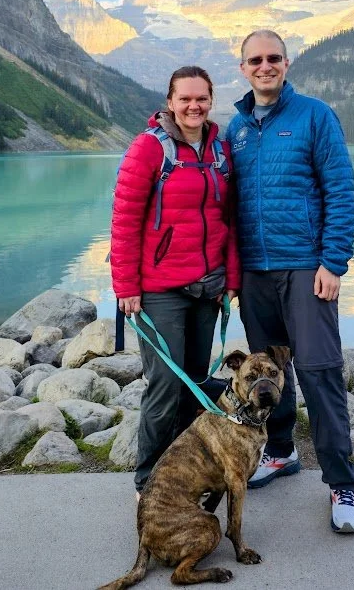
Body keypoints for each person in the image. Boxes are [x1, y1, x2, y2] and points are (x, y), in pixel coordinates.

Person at [226, 29, 354, 534]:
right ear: (242, 68)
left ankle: (343, 483)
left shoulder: (314, 117)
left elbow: (341, 191)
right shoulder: (236, 129)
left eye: (274, 58)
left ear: (286, 64)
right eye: (255, 60)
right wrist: (231, 272)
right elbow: (226, 206)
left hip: (307, 268)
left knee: (320, 370)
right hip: (255, 275)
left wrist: (333, 262)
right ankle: (281, 452)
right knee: (267, 372)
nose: (265, 66)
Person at [110, 65, 240, 498]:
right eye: (184, 98)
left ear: (210, 100)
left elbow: (228, 221)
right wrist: (126, 285)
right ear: (169, 102)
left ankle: (185, 477)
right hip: (160, 288)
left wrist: (230, 279)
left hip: (207, 287)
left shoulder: (219, 150)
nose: (193, 106)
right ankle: (148, 482)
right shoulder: (150, 149)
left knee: (196, 384)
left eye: (201, 98)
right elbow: (125, 220)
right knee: (166, 385)